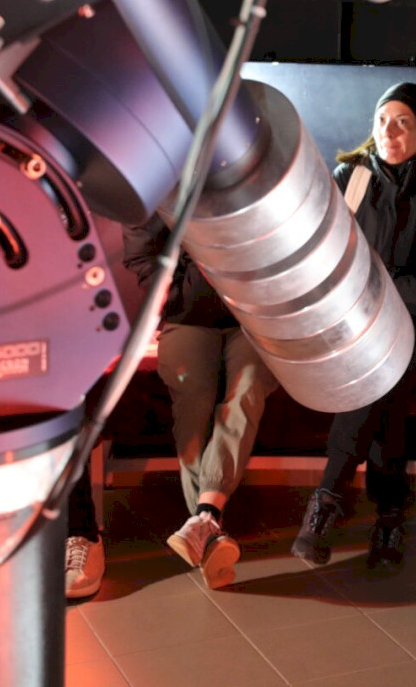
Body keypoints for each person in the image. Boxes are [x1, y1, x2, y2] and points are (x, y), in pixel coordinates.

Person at [290, 82, 416, 572]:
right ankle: (390, 513)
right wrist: (371, 287)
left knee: (382, 365)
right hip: (353, 323)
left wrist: (368, 278)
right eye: (382, 121)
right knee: (379, 372)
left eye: (403, 122)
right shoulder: (349, 179)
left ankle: (328, 497)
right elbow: (321, 265)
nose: (389, 131)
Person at [123, 214, 279, 589]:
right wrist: (186, 290)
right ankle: (210, 527)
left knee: (246, 389)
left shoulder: (253, 182)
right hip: (186, 317)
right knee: (193, 399)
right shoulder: (162, 190)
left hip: (254, 318)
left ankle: (203, 521)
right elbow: (141, 255)